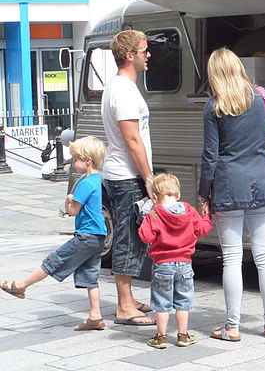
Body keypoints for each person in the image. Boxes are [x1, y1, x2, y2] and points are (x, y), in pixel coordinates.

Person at [198, 47, 265, 342]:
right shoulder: (263, 97)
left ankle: (233, 326)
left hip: (228, 185)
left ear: (215, 74)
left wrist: (203, 193)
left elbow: (210, 156)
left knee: (232, 258)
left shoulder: (214, 106)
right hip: (262, 181)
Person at [0, 136, 108, 331]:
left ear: (88, 161)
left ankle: (20, 285)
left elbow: (73, 210)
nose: (72, 163)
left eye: (75, 159)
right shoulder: (96, 180)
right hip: (99, 236)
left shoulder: (85, 183)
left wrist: (69, 200)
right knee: (90, 274)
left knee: (54, 260)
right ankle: (95, 316)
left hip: (85, 235)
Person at [101, 29, 156, 326]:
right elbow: (132, 139)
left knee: (133, 237)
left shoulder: (122, 87)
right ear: (129, 55)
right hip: (126, 176)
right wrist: (148, 178)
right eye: (144, 50)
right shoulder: (122, 90)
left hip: (123, 173)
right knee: (129, 238)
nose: (148, 55)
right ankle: (124, 306)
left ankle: (129, 297)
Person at [138, 173, 212, 349]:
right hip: (185, 264)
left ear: (155, 197)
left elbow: (146, 237)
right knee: (183, 301)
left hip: (162, 265)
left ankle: (161, 337)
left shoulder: (154, 214)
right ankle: (183, 335)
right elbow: (202, 230)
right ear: (177, 195)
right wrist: (207, 216)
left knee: (162, 302)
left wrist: (145, 219)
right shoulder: (189, 211)